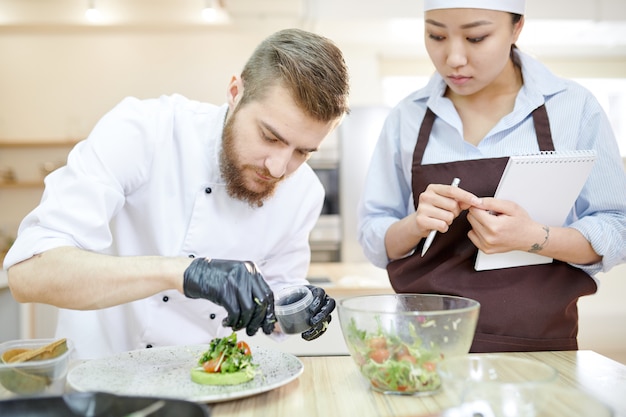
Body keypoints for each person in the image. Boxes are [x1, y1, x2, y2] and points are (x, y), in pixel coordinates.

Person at [4, 28, 350, 359]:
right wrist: (181, 273)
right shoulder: (146, 131)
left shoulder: (303, 192)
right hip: (95, 375)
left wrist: (296, 307)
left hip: (201, 383)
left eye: (303, 152)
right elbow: (29, 273)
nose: (278, 168)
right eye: (270, 137)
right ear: (235, 93)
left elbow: (274, 296)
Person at [358, 0, 626, 352]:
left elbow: (618, 227)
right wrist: (415, 225)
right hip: (422, 348)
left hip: (538, 347)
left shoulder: (574, 107)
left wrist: (534, 237)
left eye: (476, 37)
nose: (453, 58)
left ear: (517, 28)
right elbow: (372, 235)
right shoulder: (406, 118)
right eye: (436, 35)